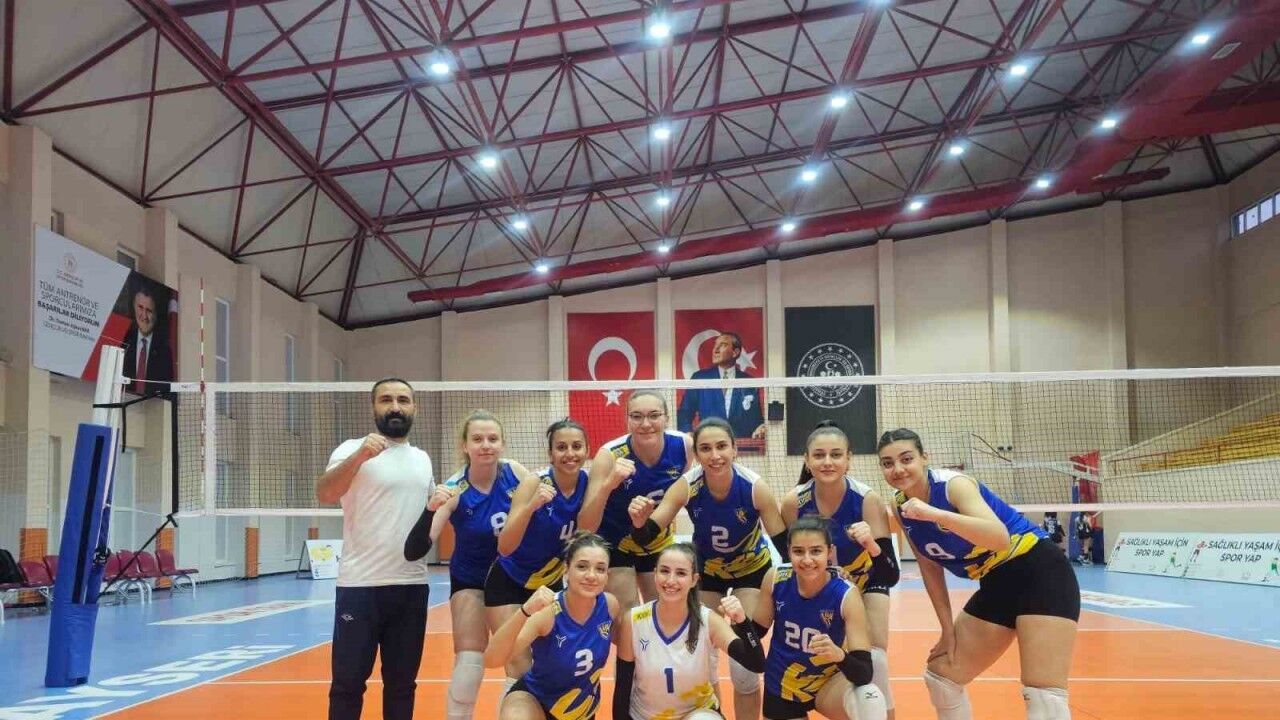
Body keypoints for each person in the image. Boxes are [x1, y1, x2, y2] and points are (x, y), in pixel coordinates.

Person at [878, 428, 1079, 720]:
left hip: (1039, 571)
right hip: (997, 582)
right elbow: (929, 566)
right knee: (942, 677)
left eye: (906, 459)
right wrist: (947, 630)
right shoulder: (900, 507)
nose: (897, 469)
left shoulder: (953, 486)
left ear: (924, 458)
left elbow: (999, 538)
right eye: (887, 463)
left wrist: (935, 514)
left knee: (1044, 696)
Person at [627, 417, 786, 720]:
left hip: (751, 571)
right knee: (701, 655)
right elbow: (647, 533)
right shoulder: (687, 485)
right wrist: (638, 521)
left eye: (722, 446)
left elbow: (784, 544)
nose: (715, 455)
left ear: (735, 449)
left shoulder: (755, 488)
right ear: (697, 454)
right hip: (707, 573)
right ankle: (711, 713)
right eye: (706, 448)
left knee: (743, 669)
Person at [317, 378, 443, 720]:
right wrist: (360, 456)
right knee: (347, 684)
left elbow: (429, 516)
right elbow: (325, 494)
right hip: (360, 586)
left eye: (403, 400)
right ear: (373, 407)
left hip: (411, 587)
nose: (395, 406)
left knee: (402, 685)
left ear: (414, 408)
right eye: (386, 399)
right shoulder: (350, 449)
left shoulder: (422, 459)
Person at [404, 410, 533, 720]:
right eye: (477, 439)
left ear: (502, 444)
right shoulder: (455, 489)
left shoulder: (515, 473)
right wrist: (430, 508)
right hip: (471, 579)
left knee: (519, 660)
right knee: (470, 659)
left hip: (512, 578)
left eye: (492, 439)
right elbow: (416, 549)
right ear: (465, 445)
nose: (486, 445)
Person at [781, 421, 899, 717]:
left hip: (866, 581)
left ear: (849, 459)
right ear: (807, 460)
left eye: (836, 454)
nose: (827, 462)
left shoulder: (867, 499)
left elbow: (889, 574)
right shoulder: (794, 502)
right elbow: (792, 559)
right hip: (820, 587)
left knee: (875, 659)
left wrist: (871, 544)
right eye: (819, 455)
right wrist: (829, 578)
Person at [486, 419, 608, 685]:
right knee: (516, 661)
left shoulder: (589, 484)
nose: (570, 453)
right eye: (561, 447)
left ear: (587, 450)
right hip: (509, 582)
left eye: (576, 446)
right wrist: (531, 506)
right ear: (550, 453)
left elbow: (588, 531)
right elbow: (504, 546)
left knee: (552, 660)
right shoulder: (533, 483)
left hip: (550, 584)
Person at [753, 516, 888, 720]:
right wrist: (738, 620)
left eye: (816, 551)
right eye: (799, 551)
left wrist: (839, 655)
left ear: (830, 552)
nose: (807, 560)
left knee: (870, 698)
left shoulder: (846, 594)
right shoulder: (775, 578)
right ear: (789, 552)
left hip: (828, 685)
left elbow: (864, 673)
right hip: (783, 687)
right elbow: (756, 633)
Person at [612, 543, 767, 720]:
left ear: (694, 580)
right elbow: (622, 688)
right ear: (655, 574)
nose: (671, 580)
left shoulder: (707, 620)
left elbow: (757, 663)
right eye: (664, 571)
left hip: (696, 713)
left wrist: (742, 621)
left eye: (681, 573)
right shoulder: (633, 621)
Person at [483, 531, 620, 720]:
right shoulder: (548, 612)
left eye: (600, 569)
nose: (591, 575)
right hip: (536, 701)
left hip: (579, 712)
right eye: (582, 566)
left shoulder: (610, 606)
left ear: (607, 575)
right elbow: (492, 660)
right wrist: (524, 611)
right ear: (566, 570)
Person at [580, 390, 695, 610]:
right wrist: (609, 484)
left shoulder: (684, 446)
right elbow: (585, 525)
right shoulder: (609, 455)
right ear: (627, 420)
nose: (646, 424)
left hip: (655, 540)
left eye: (654, 415)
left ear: (666, 418)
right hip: (615, 543)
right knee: (626, 612)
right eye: (636, 416)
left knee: (665, 609)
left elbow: (682, 495)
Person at [676, 333, 766, 442]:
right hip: (709, 444)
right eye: (715, 345)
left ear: (735, 352)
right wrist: (688, 433)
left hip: (741, 447)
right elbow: (684, 413)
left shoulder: (749, 382)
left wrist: (760, 428)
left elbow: (756, 420)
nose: (715, 350)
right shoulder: (700, 378)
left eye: (723, 345)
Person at [121, 284, 174, 394]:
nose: (144, 316)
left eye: (149, 310)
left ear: (156, 314)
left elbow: (167, 392)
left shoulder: (165, 351)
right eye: (140, 307)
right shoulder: (124, 341)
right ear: (134, 307)